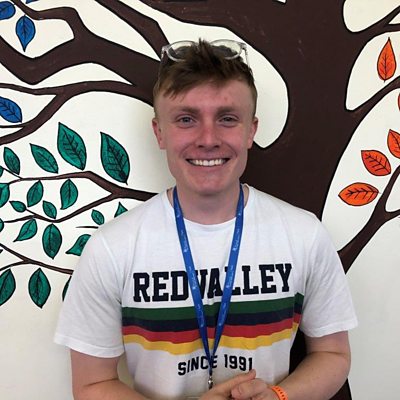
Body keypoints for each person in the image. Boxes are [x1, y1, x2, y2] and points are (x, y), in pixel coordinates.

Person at [54, 39, 357, 400]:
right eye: (186, 119)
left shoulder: (305, 235)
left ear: (251, 131)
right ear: (159, 132)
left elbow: (333, 354)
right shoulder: (111, 248)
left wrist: (278, 397)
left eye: (227, 118)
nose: (208, 139)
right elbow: (91, 385)